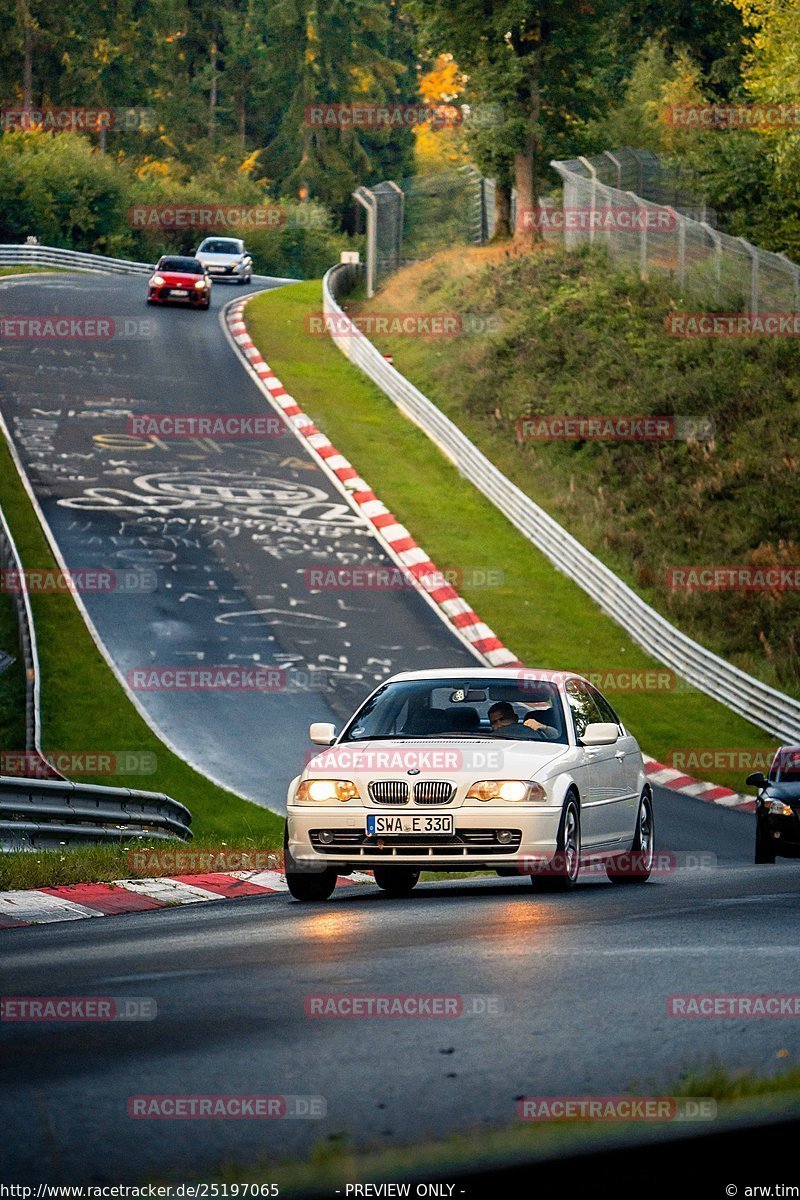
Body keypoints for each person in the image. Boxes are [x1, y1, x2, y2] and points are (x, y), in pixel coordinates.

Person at [487, 701, 559, 740]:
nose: (499, 725)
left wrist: (544, 728)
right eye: (494, 722)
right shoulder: (487, 740)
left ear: (515, 718)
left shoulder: (533, 730)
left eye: (503, 719)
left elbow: (558, 737)